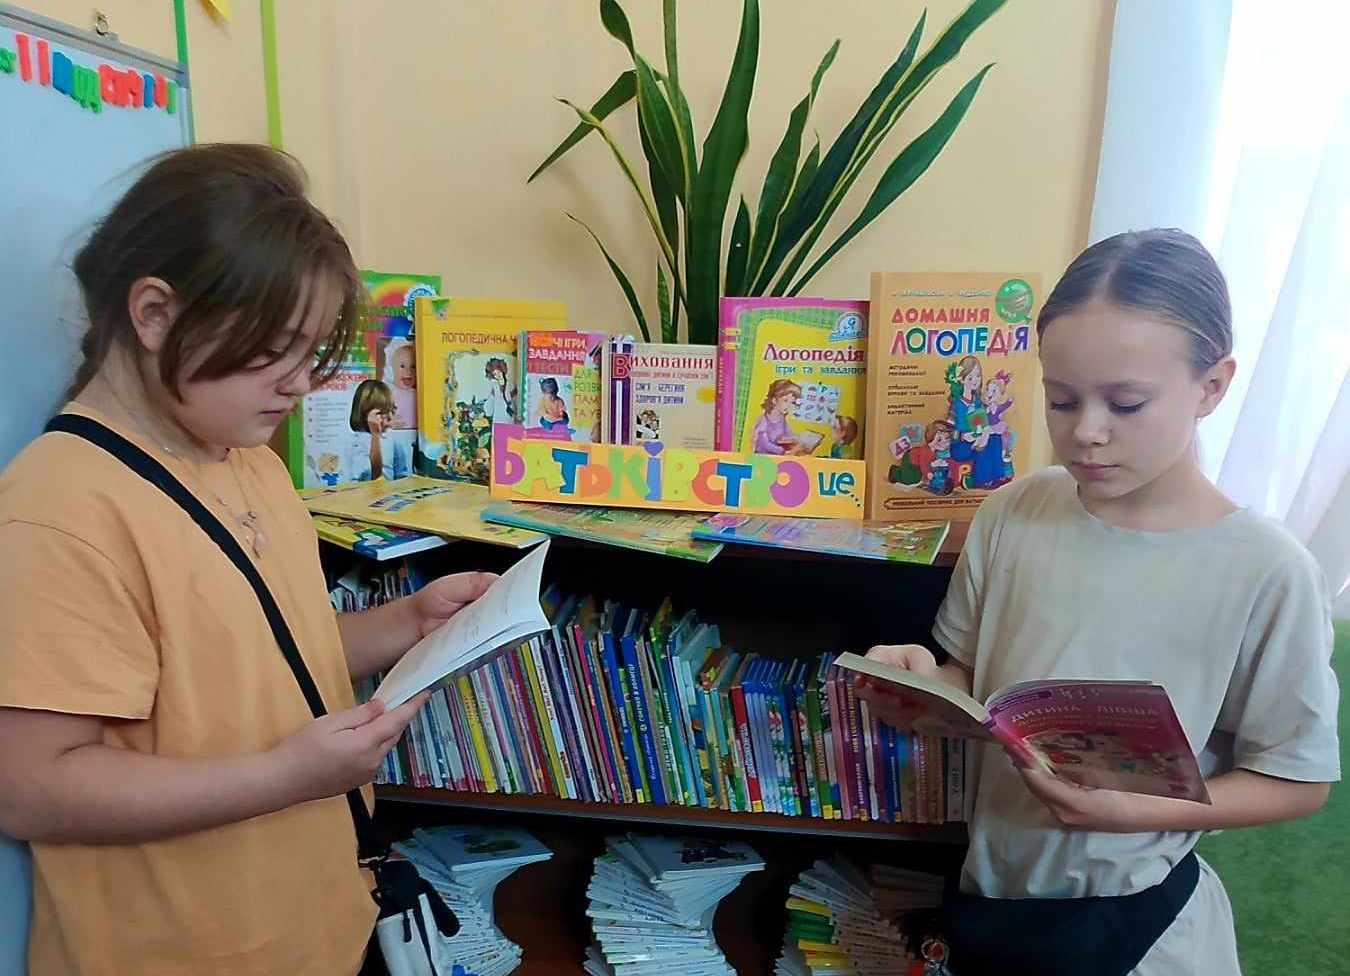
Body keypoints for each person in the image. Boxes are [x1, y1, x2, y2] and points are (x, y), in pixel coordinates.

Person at [0, 144, 496, 976]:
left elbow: (260, 659)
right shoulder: (61, 509)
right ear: (154, 314)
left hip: (316, 932)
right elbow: (31, 788)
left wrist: (408, 623)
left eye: (314, 352)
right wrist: (283, 776)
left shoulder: (247, 458)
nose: (302, 384)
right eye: (279, 348)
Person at [857, 229, 1339, 976]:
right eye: (1061, 399)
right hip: (995, 902)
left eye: (1126, 403)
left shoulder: (1268, 570)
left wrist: (1137, 812)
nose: (1085, 432)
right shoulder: (1015, 511)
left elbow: (1297, 780)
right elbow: (972, 680)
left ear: (1212, 386)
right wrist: (925, 684)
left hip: (1139, 927)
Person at [348, 378, 411, 480]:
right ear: (365, 414)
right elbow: (375, 477)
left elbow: (401, 475)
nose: (389, 417)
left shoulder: (393, 439)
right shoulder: (356, 442)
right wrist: (375, 435)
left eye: (391, 410)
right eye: (382, 413)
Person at [381, 339, 417, 430]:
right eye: (402, 366)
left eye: (413, 367)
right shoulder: (389, 394)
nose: (408, 371)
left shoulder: (419, 394)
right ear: (392, 370)